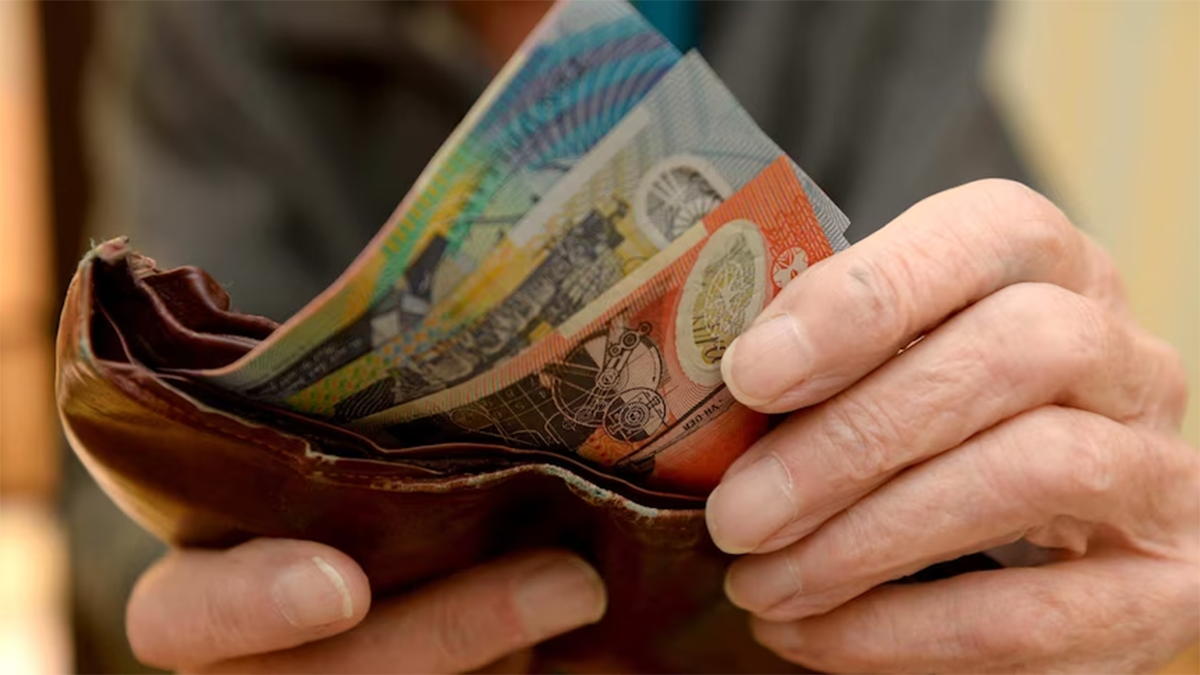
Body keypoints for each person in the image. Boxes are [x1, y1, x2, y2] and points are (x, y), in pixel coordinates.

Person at [75, 0, 1200, 673]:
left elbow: (1031, 402)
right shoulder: (209, 22)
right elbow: (126, 486)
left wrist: (1096, 508)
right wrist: (198, 610)